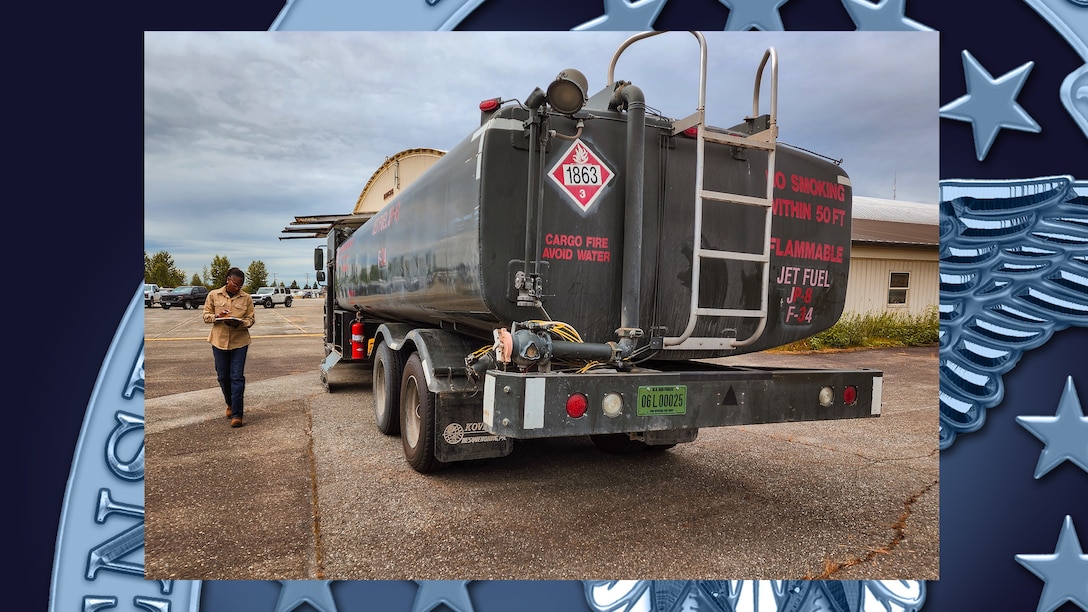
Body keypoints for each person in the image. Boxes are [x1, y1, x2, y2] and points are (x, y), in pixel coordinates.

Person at [202, 267, 256, 427]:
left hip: (240, 342)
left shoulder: (246, 298)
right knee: (223, 377)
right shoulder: (213, 295)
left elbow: (251, 319)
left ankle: (237, 415)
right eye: (235, 284)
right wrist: (217, 317)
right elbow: (206, 316)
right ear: (228, 280)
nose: (237, 288)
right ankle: (230, 405)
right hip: (219, 341)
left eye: (240, 285)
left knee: (237, 377)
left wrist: (239, 323)